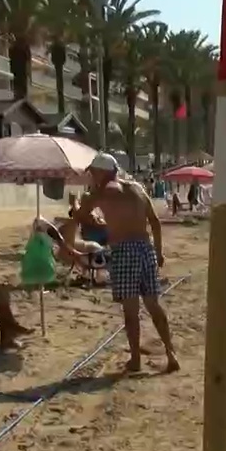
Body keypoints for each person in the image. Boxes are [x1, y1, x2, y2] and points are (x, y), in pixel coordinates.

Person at [68, 153, 179, 374]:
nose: (91, 176)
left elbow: (79, 217)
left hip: (124, 250)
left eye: (93, 172)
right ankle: (170, 353)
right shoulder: (137, 188)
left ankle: (136, 359)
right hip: (145, 249)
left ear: (101, 172)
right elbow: (155, 223)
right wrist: (158, 253)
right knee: (153, 305)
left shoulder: (101, 192)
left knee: (131, 311)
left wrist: (78, 203)